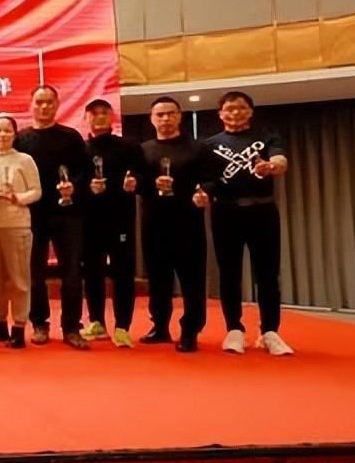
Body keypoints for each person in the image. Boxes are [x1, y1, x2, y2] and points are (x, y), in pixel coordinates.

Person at [203, 91, 294, 356]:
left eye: (241, 108)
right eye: (229, 109)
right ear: (220, 114)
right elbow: (206, 179)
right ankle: (234, 329)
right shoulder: (209, 145)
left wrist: (271, 166)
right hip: (225, 212)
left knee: (268, 274)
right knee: (229, 272)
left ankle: (270, 332)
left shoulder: (267, 136)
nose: (235, 113)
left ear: (250, 111)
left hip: (263, 210)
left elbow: (280, 160)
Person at [14, 85, 90, 350]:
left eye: (49, 102)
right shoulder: (21, 139)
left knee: (72, 273)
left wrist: (74, 187)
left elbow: (85, 171)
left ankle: (72, 327)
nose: (44, 107)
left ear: (57, 105)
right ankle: (39, 324)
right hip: (31, 215)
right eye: (39, 102)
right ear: (31, 105)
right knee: (34, 274)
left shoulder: (71, 137)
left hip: (68, 214)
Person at [137, 96, 214, 352]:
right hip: (154, 223)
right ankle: (160, 326)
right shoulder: (143, 150)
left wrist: (204, 192)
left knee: (192, 280)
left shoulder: (197, 149)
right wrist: (147, 184)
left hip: (188, 223)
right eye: (160, 115)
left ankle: (190, 330)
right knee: (158, 278)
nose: (165, 119)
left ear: (180, 116)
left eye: (170, 113)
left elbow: (212, 179)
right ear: (152, 119)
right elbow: (136, 182)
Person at [79, 98, 143, 348]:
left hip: (121, 219)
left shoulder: (128, 146)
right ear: (87, 118)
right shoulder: (80, 150)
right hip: (90, 220)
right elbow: (74, 181)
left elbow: (142, 174)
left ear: (112, 117)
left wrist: (134, 182)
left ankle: (122, 326)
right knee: (92, 273)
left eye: (104, 113)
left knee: (123, 273)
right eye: (94, 113)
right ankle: (96, 321)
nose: (99, 117)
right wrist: (87, 187)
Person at [0, 115, 41, 349]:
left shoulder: (24, 160)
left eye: (7, 130)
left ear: (15, 134)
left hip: (17, 225)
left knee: (18, 279)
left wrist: (16, 197)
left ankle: (18, 326)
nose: (2, 135)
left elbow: (36, 191)